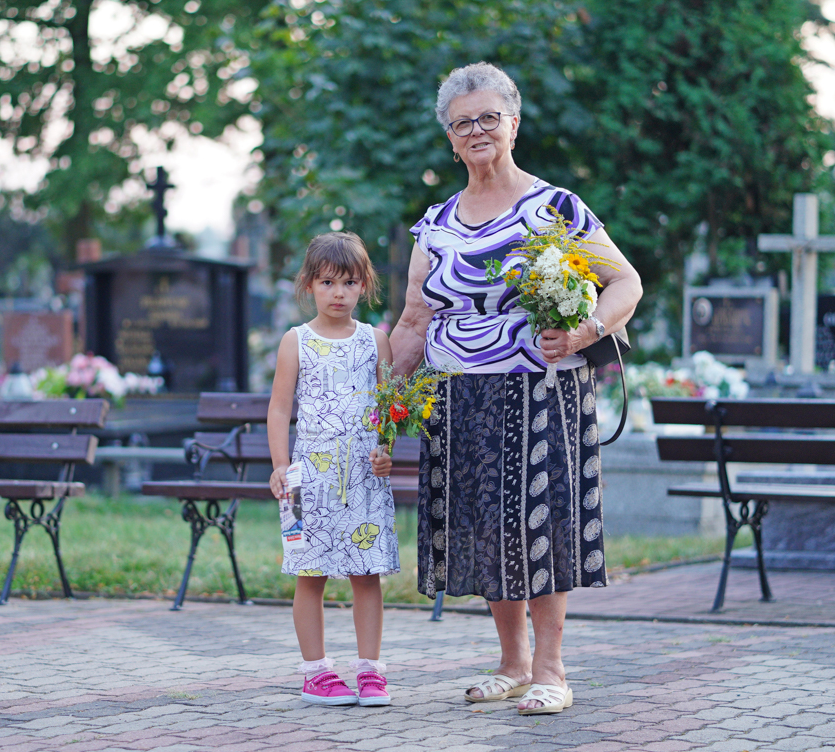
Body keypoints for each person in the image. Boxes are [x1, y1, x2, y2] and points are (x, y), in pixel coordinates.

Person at [389, 63, 642, 715]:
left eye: (488, 117)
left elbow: (626, 282)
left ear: (514, 124)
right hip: (459, 397)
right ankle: (513, 663)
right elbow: (414, 321)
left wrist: (585, 331)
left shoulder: (555, 207)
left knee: (542, 523)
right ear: (450, 138)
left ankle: (552, 669)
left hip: (540, 391)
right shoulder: (435, 224)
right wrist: (384, 404)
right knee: (485, 528)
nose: (476, 130)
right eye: (462, 122)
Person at [267, 231, 399, 707]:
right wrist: (280, 465)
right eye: (327, 282)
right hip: (307, 482)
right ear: (309, 284)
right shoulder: (295, 341)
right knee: (310, 574)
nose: (338, 293)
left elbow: (387, 410)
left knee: (367, 574)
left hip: (364, 479)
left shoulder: (376, 341)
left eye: (349, 282)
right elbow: (280, 408)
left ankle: (370, 672)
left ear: (364, 285)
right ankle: (316, 673)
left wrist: (386, 450)